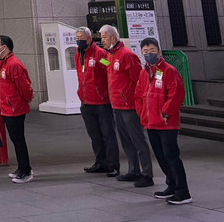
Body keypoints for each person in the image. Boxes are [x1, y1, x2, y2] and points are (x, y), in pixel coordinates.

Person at [136, 38, 191, 205]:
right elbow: (139, 95)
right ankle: (172, 185)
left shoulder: (169, 70)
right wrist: (143, 115)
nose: (149, 54)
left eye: (152, 50)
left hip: (167, 122)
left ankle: (183, 191)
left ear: (159, 52)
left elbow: (176, 94)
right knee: (161, 156)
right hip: (151, 122)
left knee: (171, 156)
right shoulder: (144, 72)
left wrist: (165, 113)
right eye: (145, 52)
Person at [99, 25, 153, 187]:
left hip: (129, 106)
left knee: (138, 140)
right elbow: (109, 70)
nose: (102, 40)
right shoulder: (111, 56)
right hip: (116, 105)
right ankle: (133, 170)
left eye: (104, 37)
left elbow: (138, 82)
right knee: (126, 141)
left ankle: (146, 173)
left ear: (113, 38)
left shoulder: (127, 56)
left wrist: (139, 104)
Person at [75, 26, 119, 176]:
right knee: (95, 136)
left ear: (89, 39)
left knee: (108, 134)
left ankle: (113, 164)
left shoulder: (100, 54)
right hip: (86, 102)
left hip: (101, 102)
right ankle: (100, 162)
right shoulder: (78, 54)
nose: (79, 40)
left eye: (82, 38)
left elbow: (110, 70)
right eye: (77, 38)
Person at [0, 35, 34, 183]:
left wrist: (28, 98)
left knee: (18, 139)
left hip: (15, 108)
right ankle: (21, 167)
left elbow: (23, 86)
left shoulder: (13, 64)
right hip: (7, 108)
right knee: (15, 139)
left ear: (5, 46)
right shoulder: (3, 63)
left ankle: (26, 170)